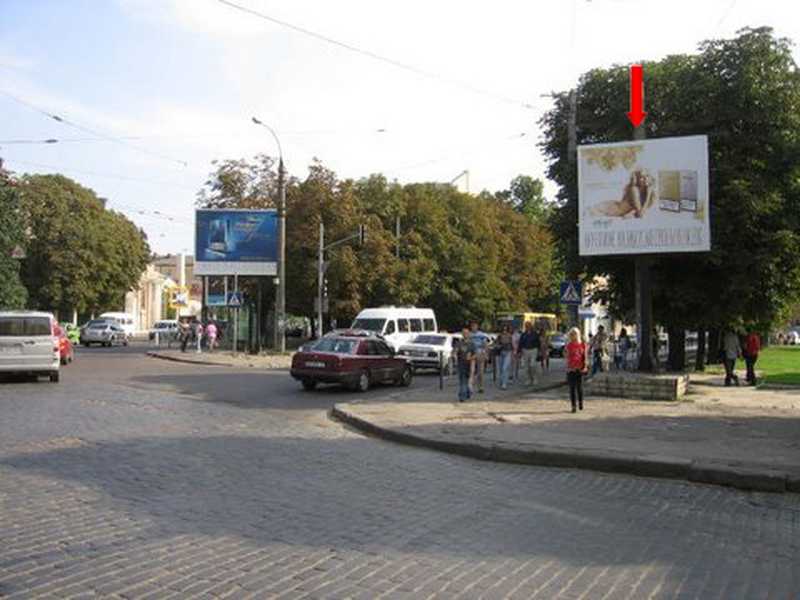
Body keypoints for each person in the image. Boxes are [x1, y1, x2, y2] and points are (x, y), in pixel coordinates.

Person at [565, 327, 588, 413]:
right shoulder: (569, 345)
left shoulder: (582, 344)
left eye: (574, 334)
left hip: (579, 368)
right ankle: (573, 406)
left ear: (578, 335)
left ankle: (580, 402)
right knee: (572, 388)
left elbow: (585, 356)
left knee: (579, 387)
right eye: (571, 334)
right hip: (571, 368)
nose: (573, 336)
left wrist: (585, 366)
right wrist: (567, 367)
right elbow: (567, 356)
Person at [454, 327, 475, 402]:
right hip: (461, 364)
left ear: (469, 334)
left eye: (466, 333)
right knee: (463, 380)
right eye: (464, 333)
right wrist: (455, 357)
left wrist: (471, 357)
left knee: (468, 381)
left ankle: (468, 392)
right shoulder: (459, 343)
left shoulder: (471, 344)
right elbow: (455, 351)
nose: (465, 334)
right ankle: (462, 396)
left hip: (470, 364)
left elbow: (475, 354)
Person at [469, 321, 489, 393]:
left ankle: (480, 386)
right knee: (472, 371)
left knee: (480, 372)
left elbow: (485, 344)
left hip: (480, 354)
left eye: (475, 326)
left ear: (477, 327)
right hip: (472, 354)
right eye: (472, 326)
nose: (473, 327)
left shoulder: (481, 335)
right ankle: (470, 387)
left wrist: (486, 354)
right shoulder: (469, 335)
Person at [517, 321, 540, 386]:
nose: (527, 327)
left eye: (528, 325)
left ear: (531, 326)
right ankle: (528, 379)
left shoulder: (535, 334)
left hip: (533, 350)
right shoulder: (523, 334)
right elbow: (520, 343)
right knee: (526, 367)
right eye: (526, 326)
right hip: (525, 350)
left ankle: (534, 378)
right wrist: (519, 351)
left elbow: (538, 343)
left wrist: (539, 351)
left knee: (532, 365)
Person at [496, 324, 514, 390]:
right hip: (500, 353)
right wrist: (498, 346)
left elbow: (512, 345)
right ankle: (502, 380)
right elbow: (496, 343)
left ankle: (504, 384)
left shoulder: (510, 336)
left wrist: (514, 352)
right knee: (501, 369)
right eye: (503, 330)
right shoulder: (499, 336)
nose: (504, 331)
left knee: (505, 368)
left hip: (508, 352)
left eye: (506, 330)